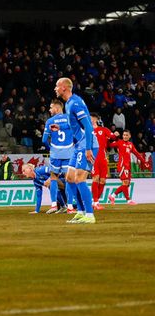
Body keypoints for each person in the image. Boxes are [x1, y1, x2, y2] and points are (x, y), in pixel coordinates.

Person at [55, 77, 98, 224]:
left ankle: (90, 215)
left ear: (64, 88)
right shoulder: (69, 103)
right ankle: (80, 212)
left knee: (80, 178)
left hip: (87, 145)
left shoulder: (75, 103)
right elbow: (76, 126)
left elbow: (88, 126)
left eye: (57, 86)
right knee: (69, 178)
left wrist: (87, 148)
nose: (55, 88)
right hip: (79, 145)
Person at [41, 98, 74, 215]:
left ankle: (54, 205)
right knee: (69, 179)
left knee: (53, 178)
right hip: (69, 153)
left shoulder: (50, 121)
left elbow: (44, 140)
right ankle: (70, 207)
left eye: (51, 107)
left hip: (55, 153)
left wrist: (51, 149)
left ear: (57, 107)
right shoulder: (70, 118)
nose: (50, 110)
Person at [109, 130, 142, 205]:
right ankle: (128, 200)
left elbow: (137, 153)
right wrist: (113, 137)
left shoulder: (130, 144)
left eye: (127, 135)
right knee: (125, 182)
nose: (125, 136)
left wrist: (144, 161)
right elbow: (109, 145)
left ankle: (112, 196)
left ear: (130, 136)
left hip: (128, 166)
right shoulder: (119, 142)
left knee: (127, 184)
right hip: (122, 165)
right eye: (124, 135)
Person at [90, 114, 115, 210]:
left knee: (103, 181)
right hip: (93, 158)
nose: (89, 119)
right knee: (95, 178)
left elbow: (113, 139)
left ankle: (97, 202)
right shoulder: (87, 130)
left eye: (91, 118)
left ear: (96, 119)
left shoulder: (104, 129)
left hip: (103, 158)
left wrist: (115, 135)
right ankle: (94, 201)